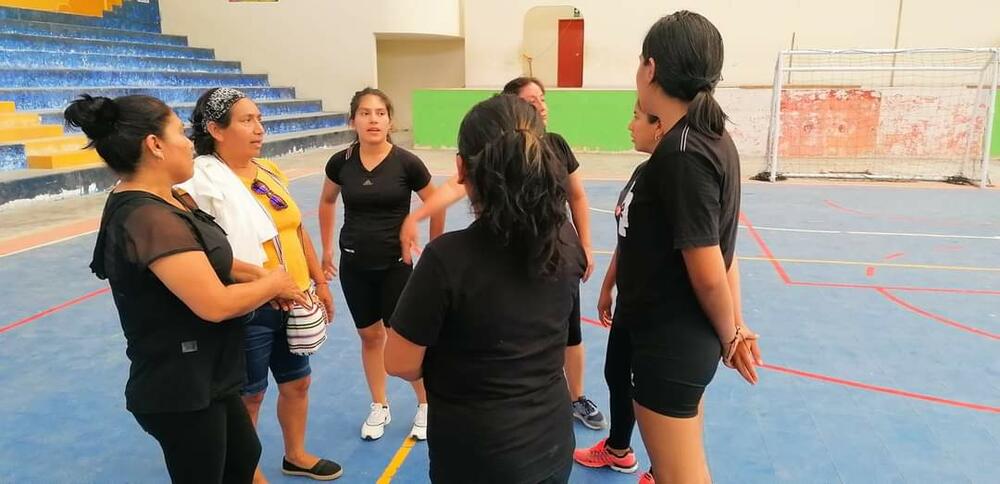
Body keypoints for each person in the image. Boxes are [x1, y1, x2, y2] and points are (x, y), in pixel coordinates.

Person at [69, 93, 305, 483]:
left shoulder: (172, 197)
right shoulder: (146, 218)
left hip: (210, 374)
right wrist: (273, 283)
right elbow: (214, 303)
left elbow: (213, 262)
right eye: (179, 131)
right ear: (155, 145)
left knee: (243, 456)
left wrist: (260, 277)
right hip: (181, 386)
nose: (189, 140)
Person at [385, 94, 581, 484]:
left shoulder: (447, 259)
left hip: (477, 455)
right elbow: (563, 337)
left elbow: (400, 362)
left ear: (461, 168)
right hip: (552, 445)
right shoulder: (565, 239)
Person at [398, 77, 607, 430]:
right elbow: (452, 187)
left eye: (542, 99)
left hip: (481, 437)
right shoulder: (558, 244)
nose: (538, 105)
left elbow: (401, 361)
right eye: (529, 100)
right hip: (545, 438)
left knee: (567, 335)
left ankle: (577, 396)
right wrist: (417, 215)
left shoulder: (448, 259)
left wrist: (585, 243)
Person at [626, 11, 763, 483]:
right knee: (675, 471)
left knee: (682, 475)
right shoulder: (714, 139)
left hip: (672, 343)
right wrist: (735, 325)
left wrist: (732, 335)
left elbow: (708, 265)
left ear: (651, 68)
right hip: (684, 339)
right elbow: (728, 250)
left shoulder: (682, 153)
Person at [185, 87, 342, 482]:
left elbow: (296, 227)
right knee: (249, 394)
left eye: (259, 119)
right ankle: (247, 471)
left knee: (298, 382)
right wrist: (268, 285)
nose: (259, 128)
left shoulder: (270, 170)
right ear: (216, 130)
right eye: (247, 120)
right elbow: (207, 252)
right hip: (251, 305)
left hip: (295, 296)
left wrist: (317, 281)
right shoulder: (199, 185)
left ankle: (296, 454)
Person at [318, 88, 444, 441]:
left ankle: (425, 405)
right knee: (369, 336)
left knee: (402, 337)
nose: (373, 120)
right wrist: (326, 250)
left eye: (380, 113)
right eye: (365, 113)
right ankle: (379, 405)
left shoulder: (407, 163)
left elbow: (435, 202)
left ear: (390, 120)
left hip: (396, 264)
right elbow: (327, 202)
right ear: (353, 120)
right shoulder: (341, 162)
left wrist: (432, 249)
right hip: (354, 264)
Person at [573, 101, 666, 477]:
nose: (629, 125)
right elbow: (627, 238)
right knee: (616, 374)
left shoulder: (673, 179)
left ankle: (664, 471)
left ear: (658, 126)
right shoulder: (643, 172)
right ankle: (618, 449)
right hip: (632, 300)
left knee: (658, 395)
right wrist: (607, 286)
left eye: (636, 117)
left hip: (659, 309)